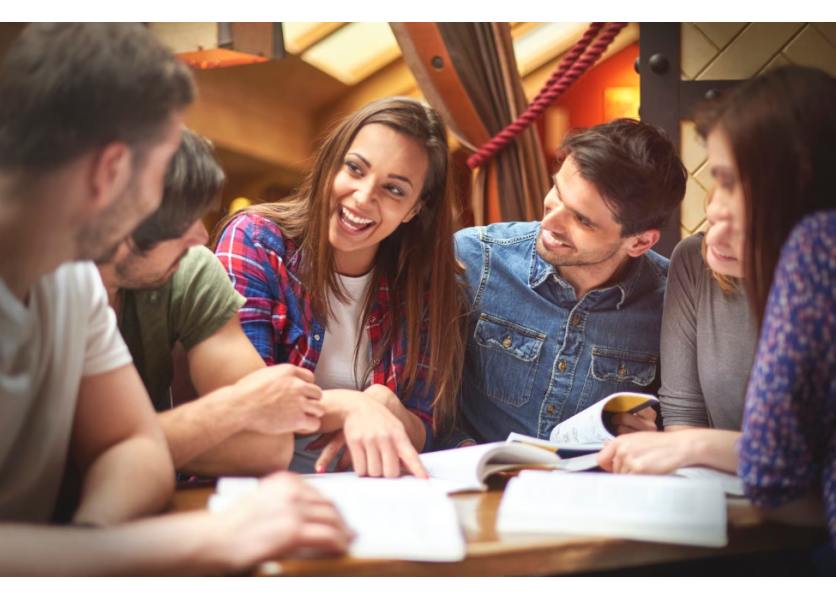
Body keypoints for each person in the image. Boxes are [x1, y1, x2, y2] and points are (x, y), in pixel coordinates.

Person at [0, 23, 350, 575]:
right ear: (111, 170)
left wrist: (89, 550)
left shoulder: (72, 281)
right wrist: (202, 540)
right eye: (160, 171)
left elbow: (130, 446)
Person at [215, 97, 465, 477]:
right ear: (332, 163)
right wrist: (352, 406)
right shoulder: (256, 241)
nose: (364, 197)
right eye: (355, 169)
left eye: (394, 190)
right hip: (257, 485)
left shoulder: (421, 281)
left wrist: (388, 406)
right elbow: (245, 403)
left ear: (415, 209)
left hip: (369, 492)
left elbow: (424, 428)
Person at [97, 127, 323, 477]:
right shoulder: (40, 285)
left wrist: (113, 450)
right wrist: (238, 407)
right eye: (178, 218)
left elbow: (267, 445)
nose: (202, 236)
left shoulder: (188, 267)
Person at [450, 118, 687, 447]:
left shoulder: (673, 303)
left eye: (581, 219)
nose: (549, 221)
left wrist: (646, 436)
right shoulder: (473, 259)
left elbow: (676, 423)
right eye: (557, 193)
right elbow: (421, 394)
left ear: (640, 242)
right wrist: (463, 451)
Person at [594, 214, 758, 475]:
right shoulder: (697, 258)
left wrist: (698, 446)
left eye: (744, 230)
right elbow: (684, 418)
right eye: (714, 221)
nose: (714, 238)